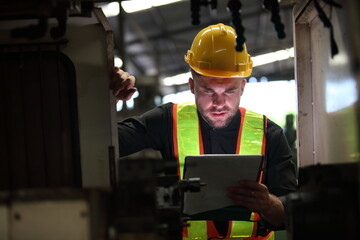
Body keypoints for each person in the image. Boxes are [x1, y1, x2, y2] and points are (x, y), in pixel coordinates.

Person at [110, 23, 297, 240]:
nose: (219, 103)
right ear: (191, 85)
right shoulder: (167, 120)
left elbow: (291, 215)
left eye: (230, 91)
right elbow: (107, 142)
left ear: (243, 87)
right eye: (208, 90)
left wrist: (268, 204)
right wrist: (108, 96)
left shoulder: (268, 133)